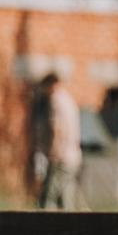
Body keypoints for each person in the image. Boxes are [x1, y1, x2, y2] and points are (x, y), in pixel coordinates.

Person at [32, 73, 83, 209]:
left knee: (49, 197)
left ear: (51, 85)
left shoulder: (56, 100)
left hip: (61, 156)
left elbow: (58, 129)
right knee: (66, 197)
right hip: (73, 156)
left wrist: (54, 152)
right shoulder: (68, 99)